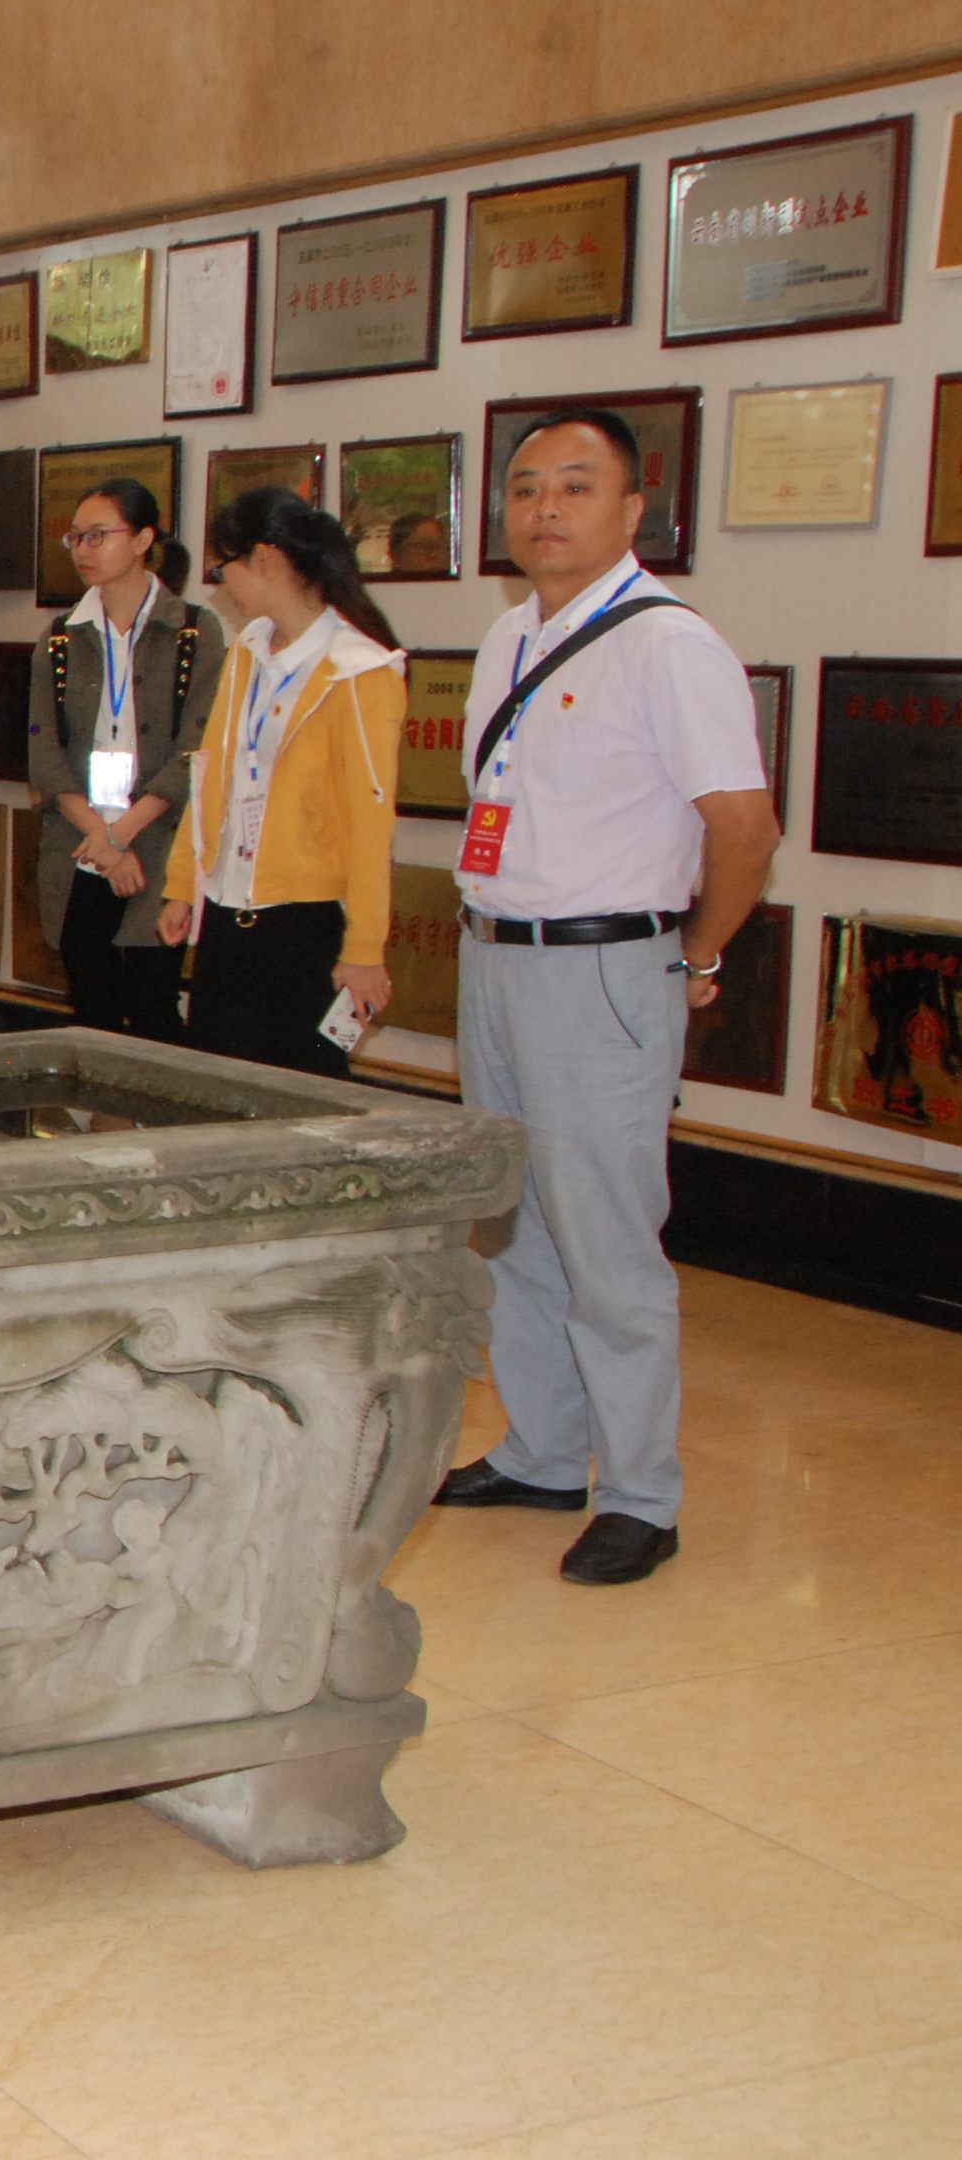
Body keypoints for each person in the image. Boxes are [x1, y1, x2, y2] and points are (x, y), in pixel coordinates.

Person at [424, 411, 777, 1589]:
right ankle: (540, 1452)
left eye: (575, 487)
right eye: (525, 486)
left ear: (632, 511)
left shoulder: (668, 645)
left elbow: (742, 827)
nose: (543, 508)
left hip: (602, 970)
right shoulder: (506, 636)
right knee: (514, 1223)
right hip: (494, 957)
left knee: (606, 1239)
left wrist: (694, 955)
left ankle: (637, 1494)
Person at [158, 488, 405, 1082]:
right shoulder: (247, 652)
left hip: (304, 925)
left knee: (301, 1099)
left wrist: (364, 949)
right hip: (226, 912)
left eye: (224, 567)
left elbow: (372, 822)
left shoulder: (360, 668)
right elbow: (211, 774)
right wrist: (184, 884)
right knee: (217, 1092)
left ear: (265, 559)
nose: (221, 584)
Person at [31, 479, 224, 1045]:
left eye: (98, 535)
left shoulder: (193, 630)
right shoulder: (61, 637)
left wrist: (123, 834)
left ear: (142, 540)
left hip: (157, 842)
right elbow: (43, 750)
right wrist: (102, 837)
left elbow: (199, 748)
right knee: (91, 1008)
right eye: (75, 537)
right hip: (80, 843)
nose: (83, 550)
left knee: (154, 1007)